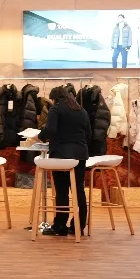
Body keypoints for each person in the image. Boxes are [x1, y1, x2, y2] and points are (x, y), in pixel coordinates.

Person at [39, 86, 92, 236]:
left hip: (61, 155)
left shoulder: (56, 109)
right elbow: (89, 134)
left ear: (54, 98)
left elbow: (50, 130)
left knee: (62, 190)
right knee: (78, 189)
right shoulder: (81, 110)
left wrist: (39, 137)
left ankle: (60, 226)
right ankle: (79, 226)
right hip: (80, 155)